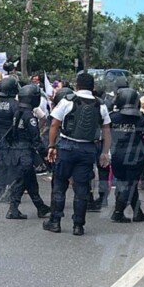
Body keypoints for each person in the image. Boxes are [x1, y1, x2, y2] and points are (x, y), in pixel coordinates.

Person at [44, 72, 111, 236]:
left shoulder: (67, 101)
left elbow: (54, 124)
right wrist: (105, 152)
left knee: (59, 184)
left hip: (66, 147)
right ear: (92, 87)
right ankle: (78, 225)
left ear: (77, 86)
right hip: (88, 149)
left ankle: (55, 222)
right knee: (82, 188)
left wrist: (52, 146)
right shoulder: (100, 105)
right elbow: (107, 131)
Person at [3, 84, 51, 219]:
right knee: (21, 181)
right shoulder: (29, 116)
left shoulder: (17, 112)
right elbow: (36, 138)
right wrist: (45, 154)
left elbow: (10, 134)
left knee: (30, 181)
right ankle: (13, 209)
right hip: (25, 153)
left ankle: (40, 207)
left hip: (17, 151)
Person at [109, 89, 144, 223]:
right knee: (130, 183)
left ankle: (138, 213)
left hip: (116, 154)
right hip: (134, 154)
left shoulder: (112, 117)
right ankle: (118, 212)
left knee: (125, 182)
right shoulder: (140, 118)